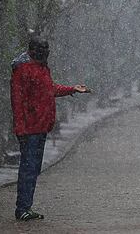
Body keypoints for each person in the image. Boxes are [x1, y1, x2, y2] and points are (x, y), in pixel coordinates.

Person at [11, 36, 90, 221]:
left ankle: (25, 206)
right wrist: (20, 130)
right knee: (29, 168)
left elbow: (49, 89)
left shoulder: (41, 67)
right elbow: (17, 101)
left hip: (40, 127)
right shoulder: (23, 70)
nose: (44, 53)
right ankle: (22, 208)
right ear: (34, 50)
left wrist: (72, 89)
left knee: (33, 168)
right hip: (30, 129)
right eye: (42, 50)